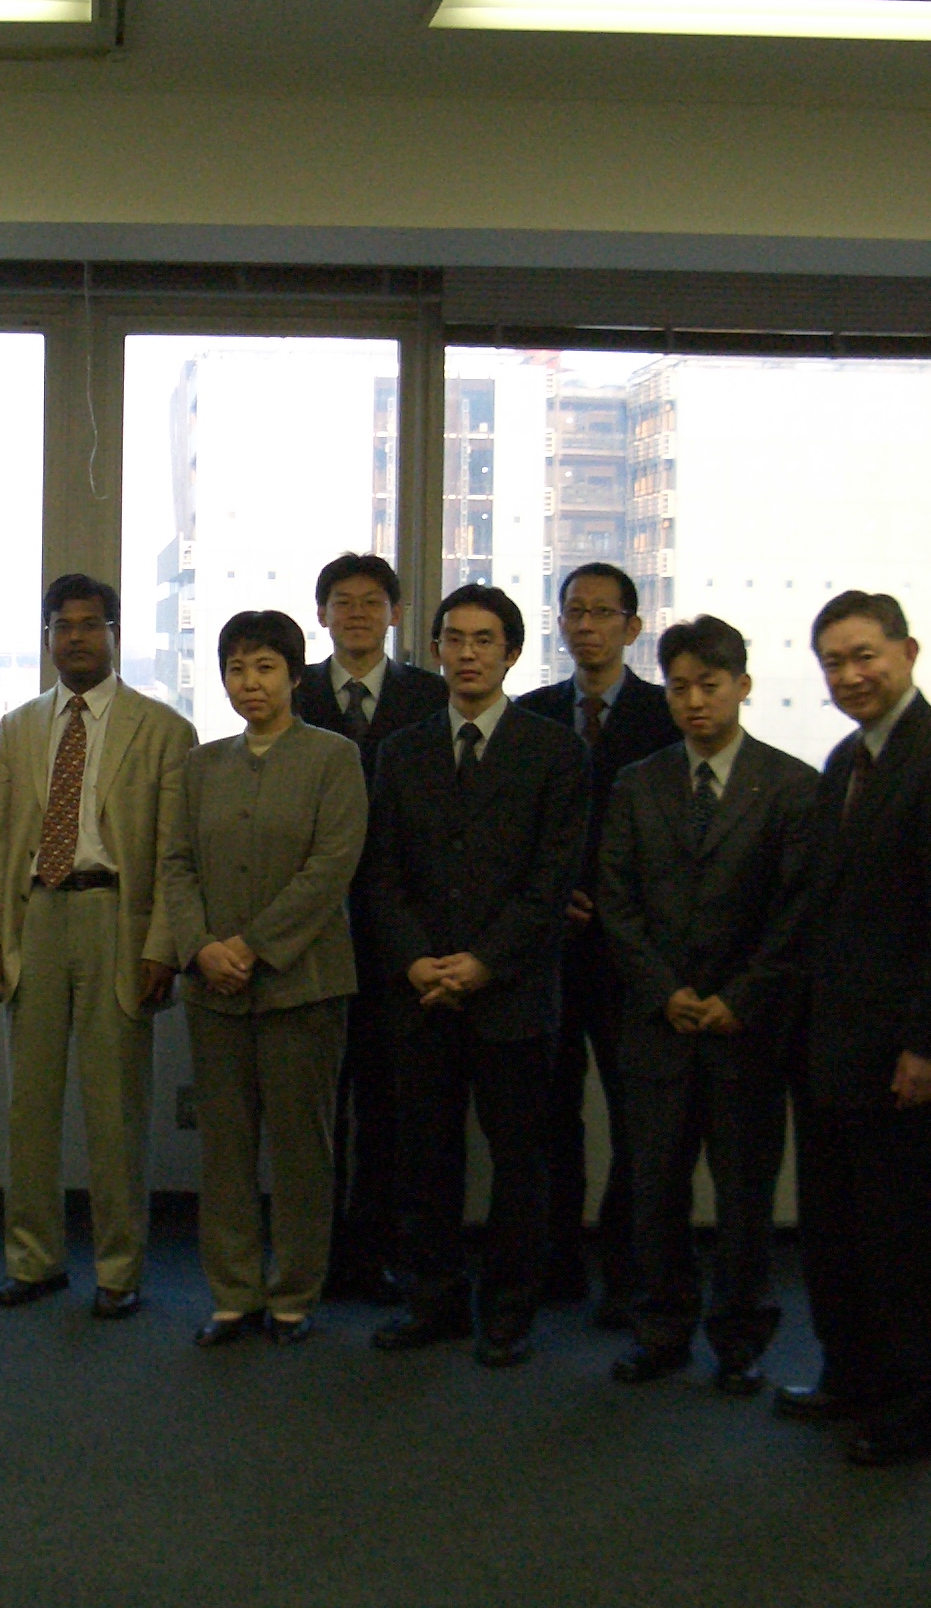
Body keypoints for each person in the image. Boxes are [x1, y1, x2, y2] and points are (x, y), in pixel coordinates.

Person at [777, 591, 931, 1465]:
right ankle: (850, 1378)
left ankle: (915, 1415)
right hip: (830, 1044)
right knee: (834, 1229)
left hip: (902, 1053)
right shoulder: (847, 759)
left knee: (901, 1240)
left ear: (907, 651)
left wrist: (928, 1047)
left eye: (865, 655)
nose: (850, 675)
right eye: (834, 661)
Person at [365, 583, 586, 1368]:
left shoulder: (556, 750)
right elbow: (381, 873)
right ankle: (433, 1301)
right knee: (422, 1157)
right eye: (453, 639)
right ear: (434, 651)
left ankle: (510, 1311)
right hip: (421, 991)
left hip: (512, 995)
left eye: (484, 640)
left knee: (519, 1163)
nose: (467, 653)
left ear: (513, 653)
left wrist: (485, 961)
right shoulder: (404, 749)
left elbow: (553, 879)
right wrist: (415, 958)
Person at [597, 615, 817, 1395]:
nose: (694, 701)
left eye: (710, 685)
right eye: (680, 687)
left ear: (743, 687)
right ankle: (661, 1330)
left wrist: (736, 999)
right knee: (653, 1189)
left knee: (744, 1198)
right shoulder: (638, 782)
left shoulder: (791, 786)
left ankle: (740, 1338)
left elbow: (797, 915)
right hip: (658, 1025)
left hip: (745, 1032)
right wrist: (667, 992)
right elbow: (616, 906)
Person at [0, 574, 196, 1318]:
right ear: (47, 638)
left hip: (117, 921)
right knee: (28, 1109)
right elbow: (1, 839)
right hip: (37, 918)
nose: (76, 637)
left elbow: (174, 855)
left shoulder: (163, 729)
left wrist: (163, 946)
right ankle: (32, 1260)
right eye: (62, 626)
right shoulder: (20, 725)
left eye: (90, 624)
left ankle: (118, 1272)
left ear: (115, 633)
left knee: (115, 1110)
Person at [160, 610, 367, 1347]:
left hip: (301, 986)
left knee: (300, 1147)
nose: (250, 683)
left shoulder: (333, 758)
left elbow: (331, 867)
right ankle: (233, 1293)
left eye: (266, 667)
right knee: (224, 1147)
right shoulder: (200, 765)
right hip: (212, 990)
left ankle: (293, 1294)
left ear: (295, 675)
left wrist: (252, 945)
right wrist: (202, 947)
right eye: (237, 668)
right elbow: (176, 865)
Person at [516, 561, 680, 1325]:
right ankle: (555, 1267)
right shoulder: (533, 714)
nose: (586, 625)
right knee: (550, 1116)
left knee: (636, 1119)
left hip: (631, 955)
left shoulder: (667, 713)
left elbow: (679, 840)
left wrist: (615, 905)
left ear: (632, 627)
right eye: (574, 611)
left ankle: (629, 1273)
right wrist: (554, 898)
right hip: (547, 947)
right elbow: (515, 832)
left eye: (602, 613)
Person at [293, 552, 447, 1304]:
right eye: (342, 602)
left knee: (390, 1106)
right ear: (320, 615)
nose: (356, 613)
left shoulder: (433, 697)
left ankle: (376, 1251)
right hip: (311, 928)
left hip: (402, 934)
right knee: (316, 1106)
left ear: (395, 614)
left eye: (371, 601)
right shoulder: (292, 694)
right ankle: (313, 1254)